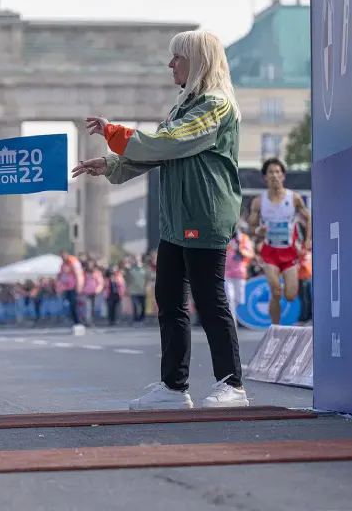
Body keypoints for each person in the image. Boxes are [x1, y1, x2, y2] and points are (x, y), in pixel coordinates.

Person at [73, 28, 247, 409]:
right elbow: (160, 151)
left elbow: (171, 143)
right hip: (176, 217)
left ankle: (232, 384)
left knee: (209, 298)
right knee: (169, 300)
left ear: (197, 61)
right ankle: (173, 387)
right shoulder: (184, 106)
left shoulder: (216, 104)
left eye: (177, 58)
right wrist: (112, 164)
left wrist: (115, 133)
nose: (170, 65)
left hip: (204, 212)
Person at [246, 157, 311, 325]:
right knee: (275, 292)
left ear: (283, 176)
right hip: (270, 253)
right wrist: (259, 232)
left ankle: (284, 291)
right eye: (270, 172)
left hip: (290, 253)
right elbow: (250, 230)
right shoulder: (259, 202)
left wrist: (308, 241)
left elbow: (309, 218)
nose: (274, 175)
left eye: (277, 172)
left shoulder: (294, 198)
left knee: (290, 296)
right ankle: (275, 328)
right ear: (265, 177)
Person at [223, 224, 255, 312]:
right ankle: (232, 321)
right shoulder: (225, 238)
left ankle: (234, 315)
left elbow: (251, 254)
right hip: (226, 272)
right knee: (229, 298)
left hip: (240, 273)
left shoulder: (244, 238)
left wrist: (241, 250)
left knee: (239, 300)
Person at [57, 251, 84, 330]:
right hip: (66, 288)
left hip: (73, 287)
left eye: (63, 256)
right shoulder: (62, 265)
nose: (62, 258)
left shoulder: (73, 262)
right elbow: (61, 277)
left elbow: (79, 275)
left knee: (74, 305)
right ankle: (75, 322)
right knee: (69, 305)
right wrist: (60, 288)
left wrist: (79, 286)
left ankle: (78, 321)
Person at [126, 256, 148, 324]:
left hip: (142, 290)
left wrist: (147, 287)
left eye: (137, 259)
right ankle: (135, 319)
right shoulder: (131, 269)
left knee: (143, 306)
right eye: (135, 260)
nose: (136, 261)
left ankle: (142, 318)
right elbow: (127, 279)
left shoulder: (145, 269)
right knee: (135, 306)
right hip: (133, 291)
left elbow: (148, 279)